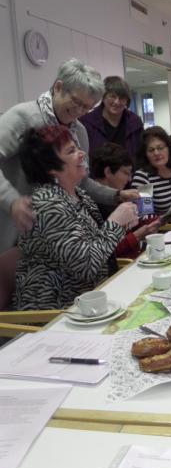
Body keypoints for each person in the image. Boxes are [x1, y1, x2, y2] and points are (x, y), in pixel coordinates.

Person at [0, 59, 139, 253]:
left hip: (55, 234)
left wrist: (115, 195)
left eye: (87, 108)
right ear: (58, 87)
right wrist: (12, 201)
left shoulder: (79, 131)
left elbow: (82, 181)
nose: (79, 111)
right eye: (76, 102)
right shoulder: (24, 117)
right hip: (13, 225)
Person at [14, 126, 139, 310]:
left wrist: (123, 224)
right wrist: (115, 223)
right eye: (71, 151)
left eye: (77, 148)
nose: (82, 154)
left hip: (88, 299)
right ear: (50, 167)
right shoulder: (47, 203)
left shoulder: (78, 194)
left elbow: (96, 245)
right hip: (56, 310)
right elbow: (86, 267)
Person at [91, 142, 161, 258]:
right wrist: (137, 236)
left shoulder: (119, 198)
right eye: (125, 173)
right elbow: (105, 252)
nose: (129, 179)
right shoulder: (93, 207)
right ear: (108, 172)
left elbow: (133, 227)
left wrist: (160, 220)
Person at [131, 126, 171, 221]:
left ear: (169, 148)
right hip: (157, 232)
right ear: (145, 154)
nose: (156, 153)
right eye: (151, 150)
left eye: (160, 148)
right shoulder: (143, 177)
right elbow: (145, 218)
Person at [80, 75, 143, 161]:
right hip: (98, 174)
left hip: (129, 173)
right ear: (103, 97)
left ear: (127, 101)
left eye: (122, 98)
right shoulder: (87, 123)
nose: (117, 102)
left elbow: (141, 154)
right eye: (112, 96)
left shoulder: (135, 122)